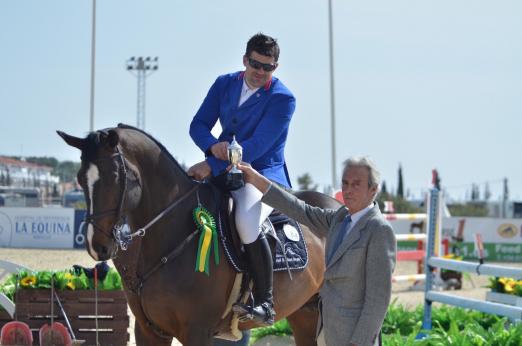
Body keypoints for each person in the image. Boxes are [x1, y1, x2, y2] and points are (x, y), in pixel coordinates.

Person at [188, 32, 296, 326]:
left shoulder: (283, 99)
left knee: (247, 223)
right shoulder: (224, 83)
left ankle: (265, 301)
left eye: (268, 67)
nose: (261, 72)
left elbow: (257, 146)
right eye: (256, 64)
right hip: (222, 165)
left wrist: (212, 162)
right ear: (245, 59)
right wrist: (212, 145)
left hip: (260, 175)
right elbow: (197, 125)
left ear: (275, 67)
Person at [237, 157, 397, 346]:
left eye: (356, 184)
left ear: (373, 189)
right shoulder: (340, 219)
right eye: (345, 183)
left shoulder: (379, 230)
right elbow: (300, 210)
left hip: (355, 339)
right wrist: (258, 181)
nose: (348, 190)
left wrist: (359, 342)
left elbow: (378, 300)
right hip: (326, 333)